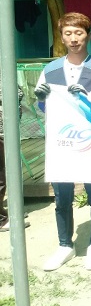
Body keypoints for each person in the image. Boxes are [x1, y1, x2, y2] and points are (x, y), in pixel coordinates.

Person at [33, 12, 91, 271]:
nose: (74, 38)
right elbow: (44, 108)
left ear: (88, 35)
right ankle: (65, 245)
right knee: (62, 196)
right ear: (61, 36)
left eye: (79, 33)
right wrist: (42, 99)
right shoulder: (50, 70)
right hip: (62, 143)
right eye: (68, 33)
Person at [0, 74, 27, 232]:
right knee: (1, 177)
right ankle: (1, 219)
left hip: (7, 131)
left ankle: (12, 212)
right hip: (2, 131)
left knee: (8, 172)